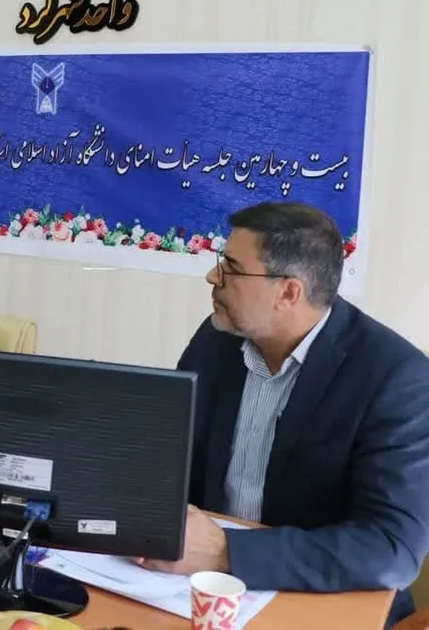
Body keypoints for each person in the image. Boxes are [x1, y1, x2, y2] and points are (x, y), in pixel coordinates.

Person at [135, 201, 429, 627]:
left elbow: (391, 549)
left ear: (288, 293)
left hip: (326, 603)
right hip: (196, 592)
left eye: (231, 267)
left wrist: (225, 552)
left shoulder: (397, 378)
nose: (213, 277)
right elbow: (171, 457)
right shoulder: (217, 341)